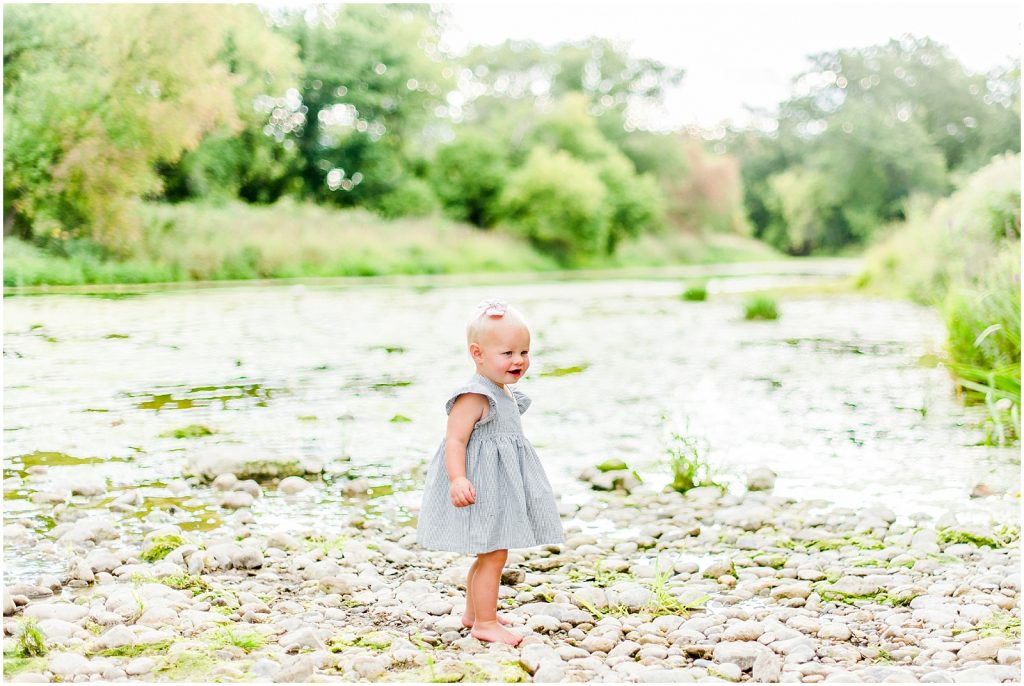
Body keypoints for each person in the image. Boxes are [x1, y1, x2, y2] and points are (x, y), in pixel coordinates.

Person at [416, 298, 565, 646]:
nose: (518, 360)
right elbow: (454, 440)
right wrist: (457, 478)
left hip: (498, 485)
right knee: (494, 552)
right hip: (481, 484)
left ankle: (474, 613)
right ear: (477, 353)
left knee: (490, 551)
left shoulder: (501, 390)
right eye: (507, 353)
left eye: (524, 352)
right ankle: (484, 622)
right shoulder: (474, 396)